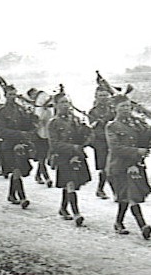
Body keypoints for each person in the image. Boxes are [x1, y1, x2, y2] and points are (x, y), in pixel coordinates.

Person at [105, 96, 151, 239]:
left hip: (135, 164)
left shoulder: (137, 123)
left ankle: (118, 222)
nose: (125, 109)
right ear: (115, 108)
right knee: (129, 196)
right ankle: (142, 225)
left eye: (127, 106)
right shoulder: (112, 126)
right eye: (122, 107)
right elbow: (115, 148)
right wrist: (137, 152)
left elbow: (144, 138)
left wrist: (150, 140)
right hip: (119, 166)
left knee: (128, 196)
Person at [48, 93, 92, 226]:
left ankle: (63, 208)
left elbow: (85, 138)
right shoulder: (53, 123)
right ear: (56, 105)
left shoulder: (76, 119)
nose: (65, 105)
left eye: (67, 102)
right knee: (70, 183)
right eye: (62, 102)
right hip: (62, 156)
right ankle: (76, 213)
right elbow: (54, 144)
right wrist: (73, 147)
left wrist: (86, 131)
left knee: (70, 182)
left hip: (77, 154)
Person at [0, 85, 35, 209]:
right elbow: (2, 131)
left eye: (14, 94)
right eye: (10, 95)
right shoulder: (1, 111)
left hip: (20, 144)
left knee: (18, 170)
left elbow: (26, 125)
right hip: (8, 145)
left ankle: (11, 195)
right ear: (5, 96)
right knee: (17, 169)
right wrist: (20, 133)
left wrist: (31, 117)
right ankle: (23, 197)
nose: (12, 97)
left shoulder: (20, 109)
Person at [88, 86, 115, 199]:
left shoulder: (113, 109)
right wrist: (100, 121)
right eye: (101, 95)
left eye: (105, 95)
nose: (103, 98)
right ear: (96, 97)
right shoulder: (93, 112)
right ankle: (101, 189)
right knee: (104, 167)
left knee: (114, 166)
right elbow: (93, 127)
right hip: (100, 142)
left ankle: (113, 190)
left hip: (113, 141)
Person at [26, 88, 54, 187]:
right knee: (42, 157)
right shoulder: (36, 108)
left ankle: (38, 176)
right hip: (38, 135)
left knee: (43, 156)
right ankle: (47, 178)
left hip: (46, 134)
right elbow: (38, 120)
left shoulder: (42, 106)